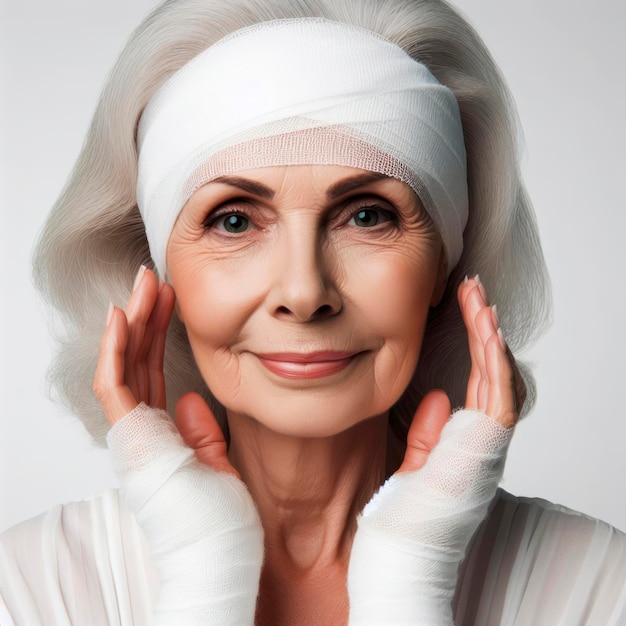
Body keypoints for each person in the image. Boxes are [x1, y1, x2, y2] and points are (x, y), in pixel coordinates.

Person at [1, 1, 625, 625]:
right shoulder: (28, 588)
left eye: (366, 215)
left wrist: (409, 574)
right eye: (235, 220)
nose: (304, 293)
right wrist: (203, 572)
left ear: (445, 264)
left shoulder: (600, 588)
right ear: (163, 277)